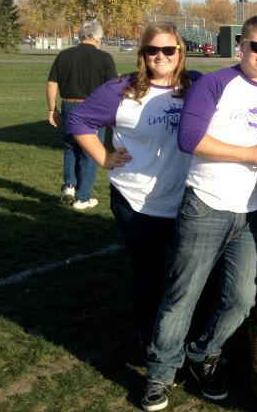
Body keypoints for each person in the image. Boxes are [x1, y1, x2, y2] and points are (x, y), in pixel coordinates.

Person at [141, 15, 257, 411]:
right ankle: (161, 373)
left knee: (241, 298)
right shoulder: (216, 83)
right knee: (182, 295)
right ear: (242, 47)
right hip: (207, 204)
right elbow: (190, 138)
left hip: (253, 211)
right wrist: (251, 154)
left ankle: (203, 355)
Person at [66, 24, 200, 350]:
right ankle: (149, 337)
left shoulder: (195, 84)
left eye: (168, 50)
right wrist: (103, 156)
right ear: (143, 54)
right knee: (148, 272)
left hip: (187, 197)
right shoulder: (121, 89)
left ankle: (188, 337)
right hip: (134, 198)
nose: (160, 56)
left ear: (180, 52)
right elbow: (78, 120)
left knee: (190, 275)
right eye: (152, 50)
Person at [46, 20, 117, 209]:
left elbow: (52, 84)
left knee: (71, 148)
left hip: (69, 104)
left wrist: (52, 109)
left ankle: (69, 186)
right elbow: (112, 89)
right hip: (94, 108)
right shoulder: (105, 58)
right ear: (96, 38)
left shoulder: (64, 55)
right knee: (90, 152)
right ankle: (83, 198)